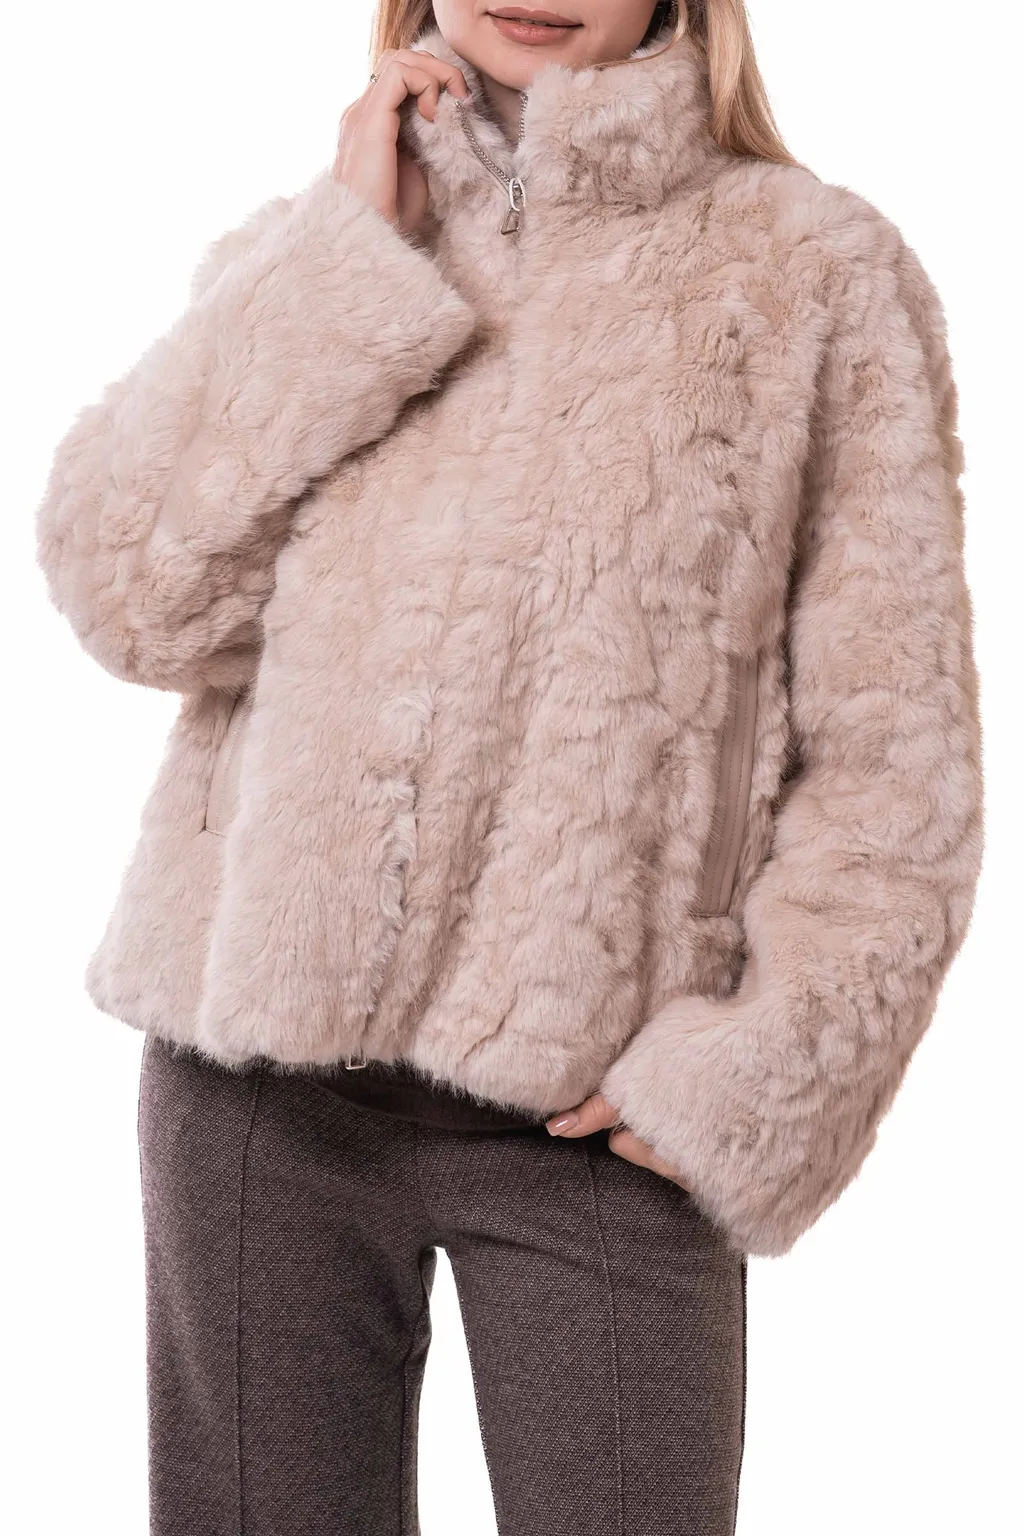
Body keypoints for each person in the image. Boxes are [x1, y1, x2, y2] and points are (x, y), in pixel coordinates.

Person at [34, 1, 984, 1531]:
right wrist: (350, 256)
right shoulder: (321, 248)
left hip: (599, 1124)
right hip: (258, 1107)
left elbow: (894, 754)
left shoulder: (810, 272)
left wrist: (744, 1073)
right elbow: (133, 596)